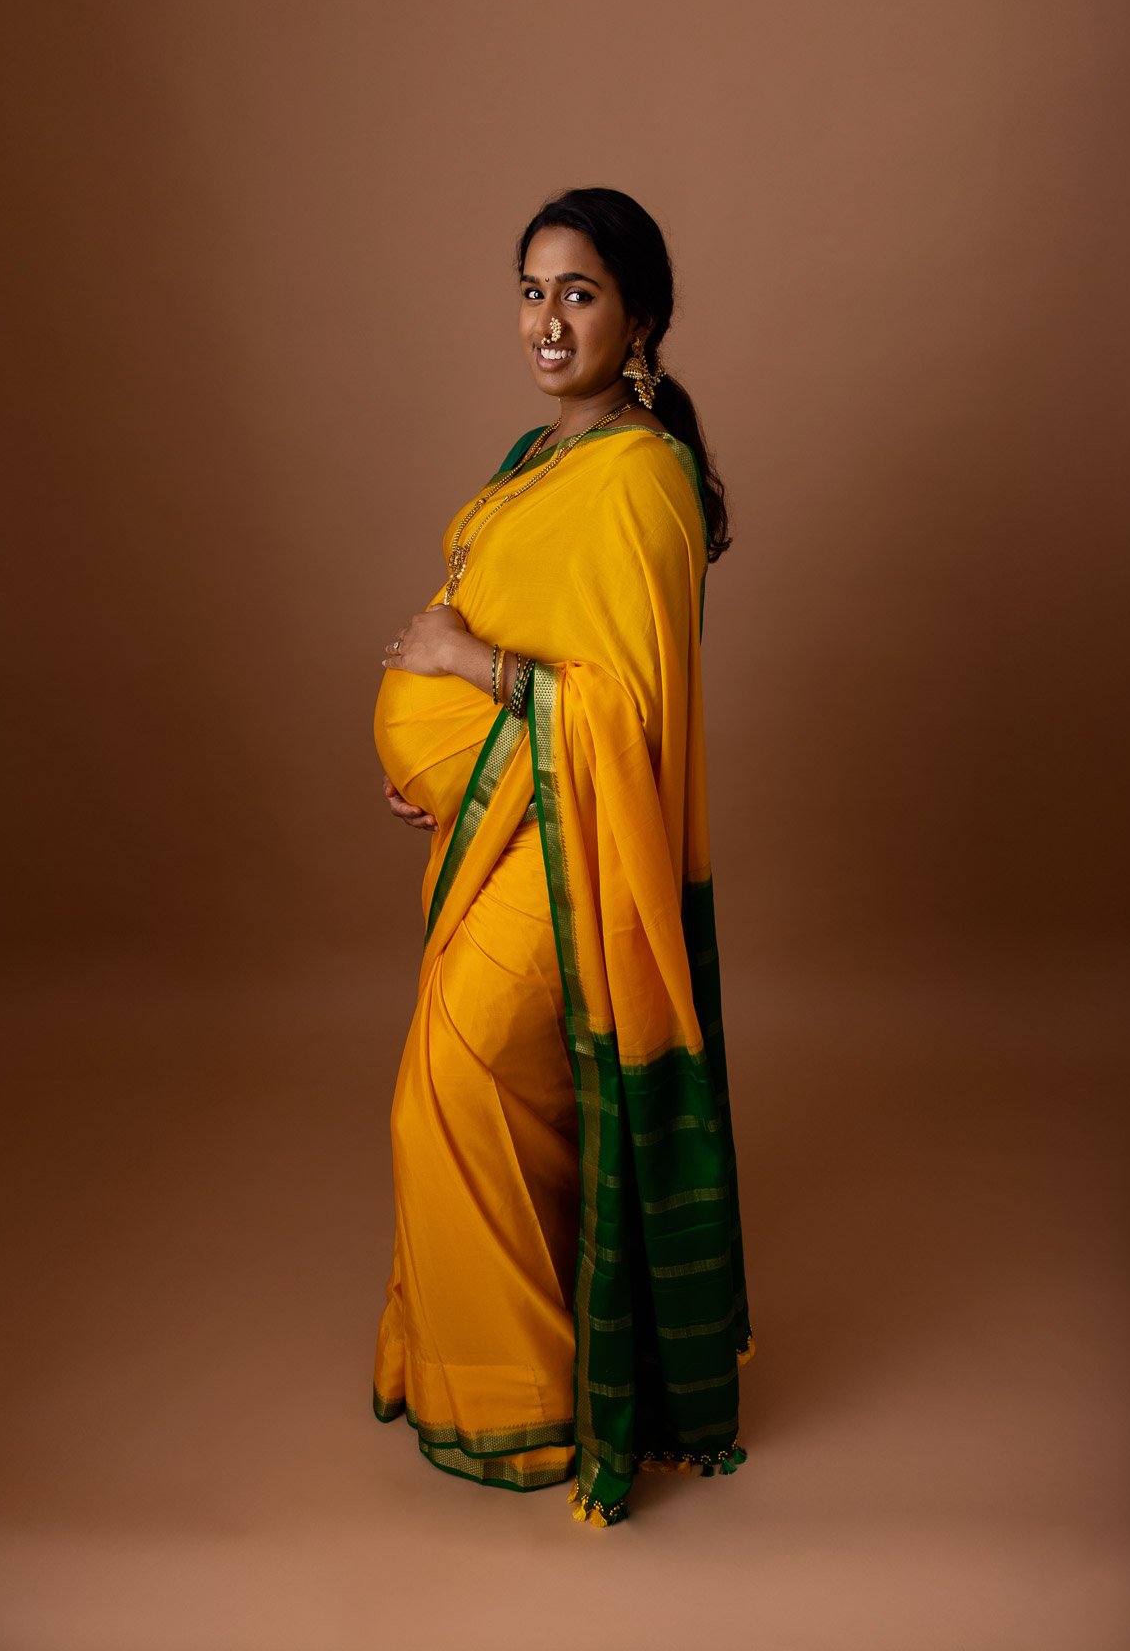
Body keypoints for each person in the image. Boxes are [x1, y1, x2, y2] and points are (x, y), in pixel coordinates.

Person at [372, 186, 753, 1530]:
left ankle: (538, 1398)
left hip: (578, 853)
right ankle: (509, 1373)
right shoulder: (534, 456)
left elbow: (622, 719)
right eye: (532, 291)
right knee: (473, 1101)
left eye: (578, 293)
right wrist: (447, 764)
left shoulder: (643, 477)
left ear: (637, 318)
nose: (547, 319)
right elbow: (509, 631)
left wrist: (464, 669)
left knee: (455, 1086)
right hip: (503, 824)